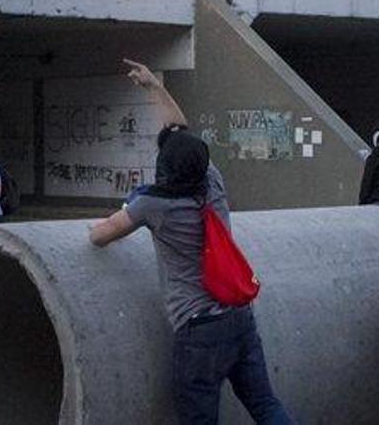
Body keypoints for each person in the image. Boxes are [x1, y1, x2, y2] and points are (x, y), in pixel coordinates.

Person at [88, 59, 294, 425]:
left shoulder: (154, 206)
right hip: (239, 318)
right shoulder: (210, 181)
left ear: (165, 168)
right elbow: (178, 128)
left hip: (199, 331)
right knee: (265, 406)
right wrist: (153, 85)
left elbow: (101, 236)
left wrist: (119, 212)